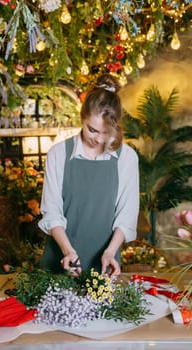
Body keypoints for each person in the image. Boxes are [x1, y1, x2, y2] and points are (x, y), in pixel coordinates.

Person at [38, 73, 139, 277]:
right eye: (92, 130)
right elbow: (52, 211)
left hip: (105, 265)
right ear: (81, 118)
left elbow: (126, 215)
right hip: (61, 258)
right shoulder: (58, 154)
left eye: (106, 132)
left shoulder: (127, 158)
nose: (99, 139)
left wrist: (110, 252)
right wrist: (69, 252)